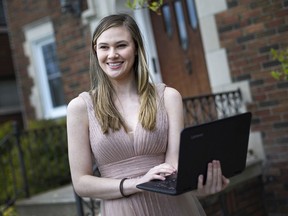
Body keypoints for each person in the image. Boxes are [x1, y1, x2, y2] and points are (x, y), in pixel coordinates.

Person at [67, 13, 230, 216]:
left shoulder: (169, 97)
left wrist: (200, 186)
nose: (112, 54)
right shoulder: (79, 108)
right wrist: (137, 184)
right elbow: (82, 183)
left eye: (121, 45)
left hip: (172, 208)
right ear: (95, 51)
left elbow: (174, 166)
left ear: (136, 48)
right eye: (104, 47)